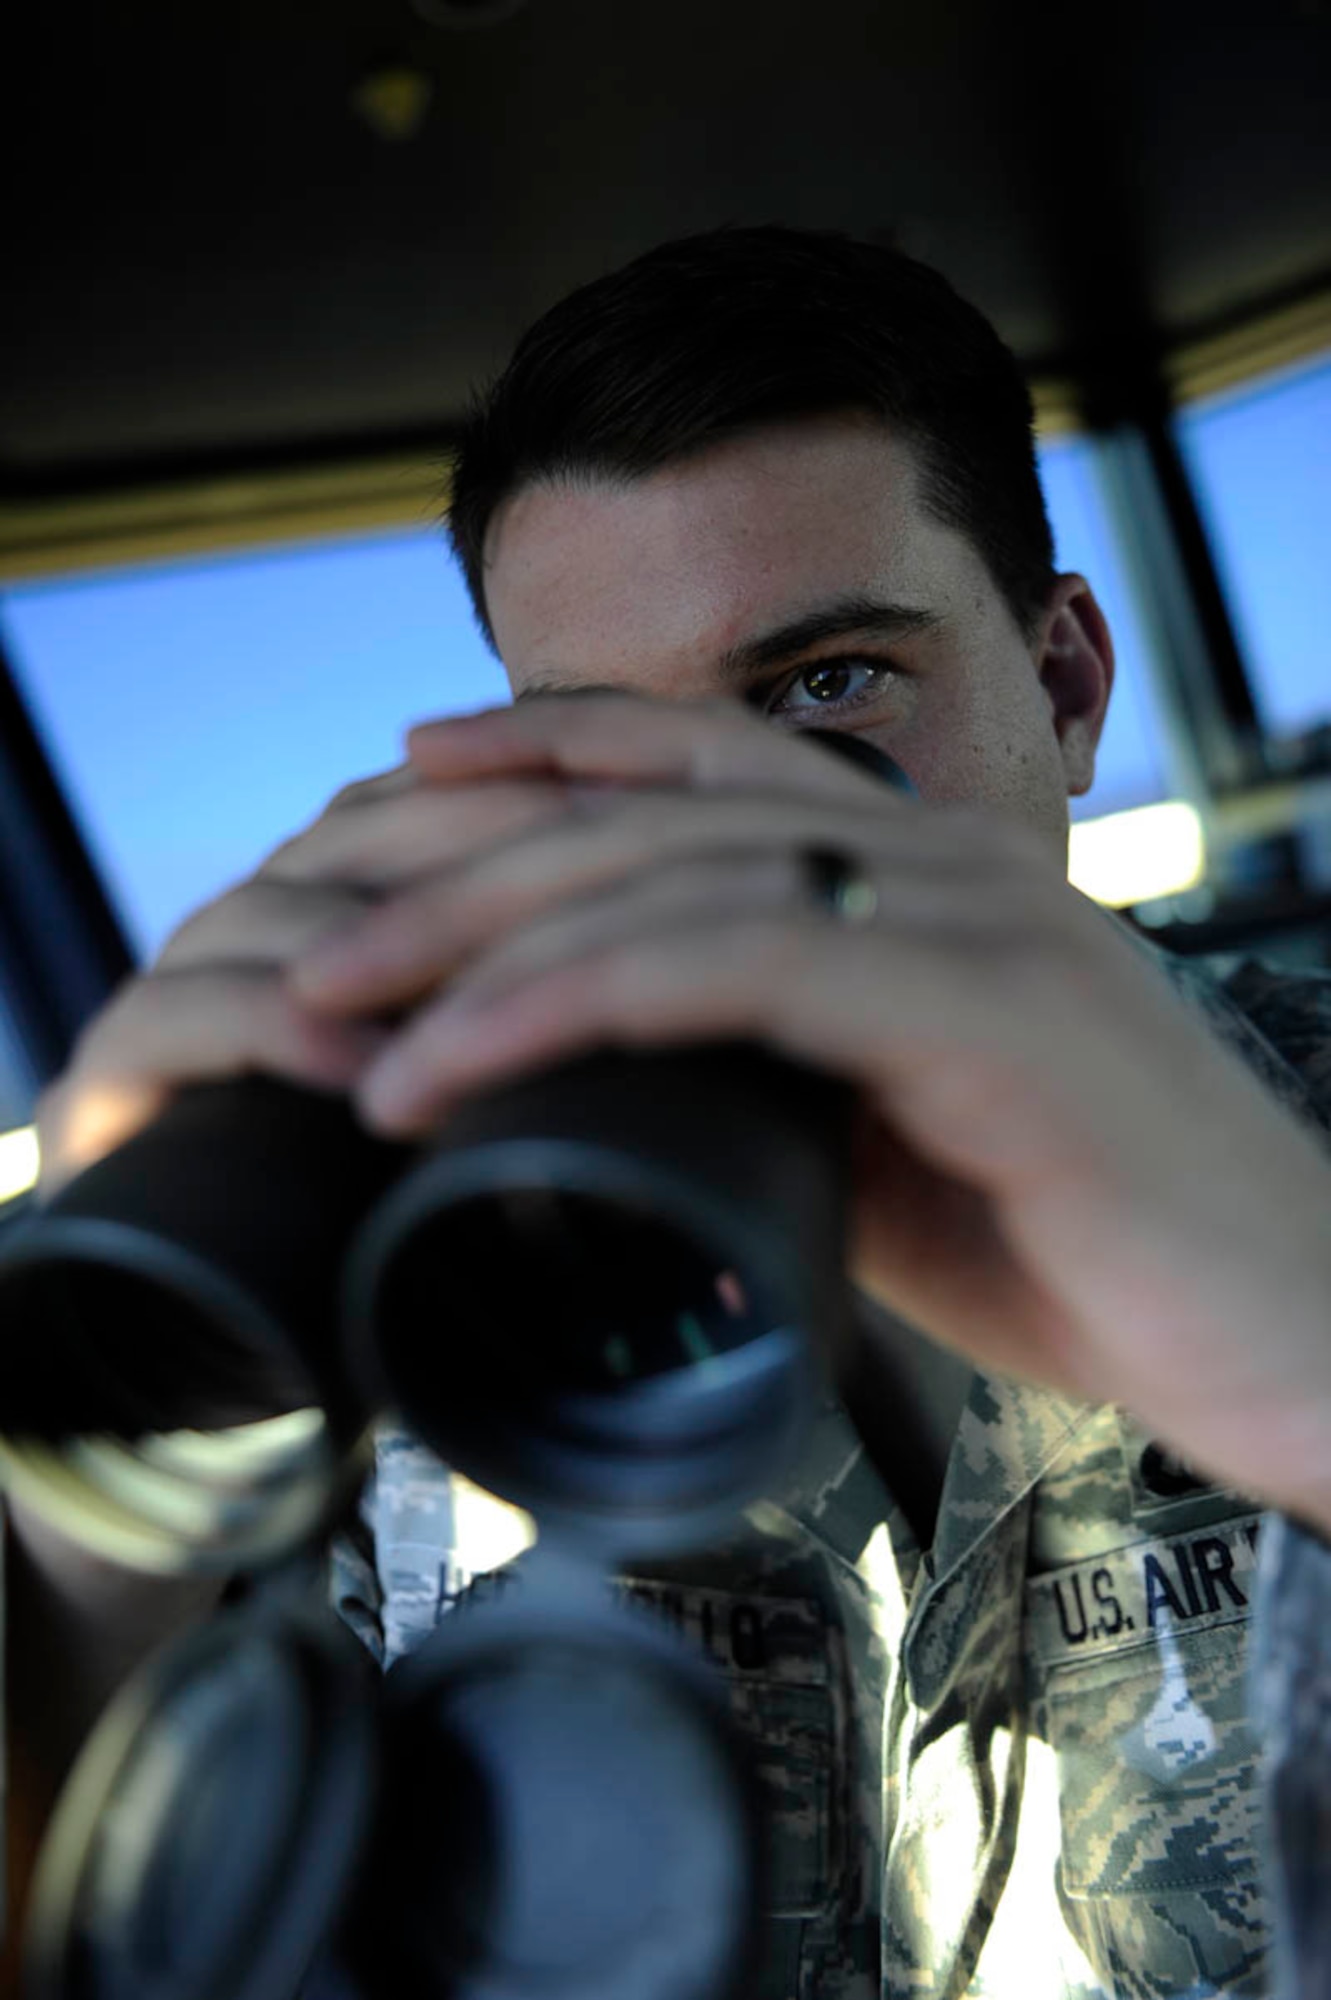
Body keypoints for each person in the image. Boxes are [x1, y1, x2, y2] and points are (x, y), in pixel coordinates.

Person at [6, 226, 1331, 1999]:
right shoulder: (404, 1264)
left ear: (1068, 688)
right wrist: (91, 1530)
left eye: (825, 692)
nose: (706, 832)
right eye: (605, 753)